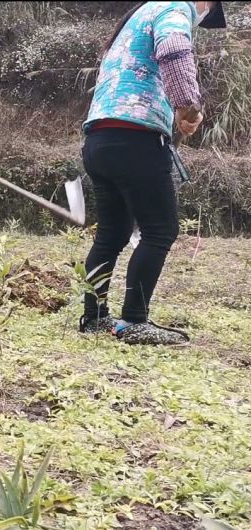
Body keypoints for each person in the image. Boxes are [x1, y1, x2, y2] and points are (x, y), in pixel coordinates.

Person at [78, 1, 225, 345]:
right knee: (160, 230)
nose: (203, 15)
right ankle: (133, 321)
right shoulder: (174, 9)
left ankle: (95, 318)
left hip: (100, 140)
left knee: (111, 236)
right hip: (135, 139)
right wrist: (187, 105)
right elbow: (174, 48)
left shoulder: (138, 17)